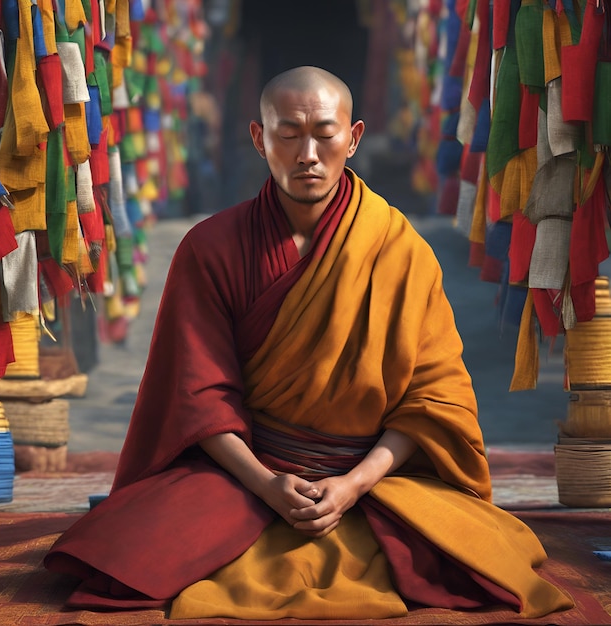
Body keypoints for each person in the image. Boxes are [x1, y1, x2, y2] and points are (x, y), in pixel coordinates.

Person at [44, 66, 573, 620]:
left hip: (372, 477)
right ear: (259, 138)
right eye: (288, 134)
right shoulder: (210, 247)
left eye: (325, 133)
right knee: (119, 559)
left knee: (481, 562)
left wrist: (351, 485)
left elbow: (431, 399)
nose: (308, 154)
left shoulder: (399, 250)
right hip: (248, 471)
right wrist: (268, 484)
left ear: (354, 136)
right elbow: (198, 397)